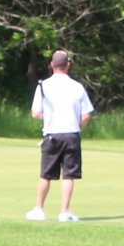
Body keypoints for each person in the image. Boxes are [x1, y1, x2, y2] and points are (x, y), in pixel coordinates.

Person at [27, 48, 94, 221]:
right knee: (69, 175)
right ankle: (64, 212)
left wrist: (50, 117)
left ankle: (39, 210)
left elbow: (35, 113)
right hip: (71, 134)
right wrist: (77, 126)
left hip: (51, 135)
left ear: (51, 65)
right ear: (68, 65)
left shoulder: (43, 86)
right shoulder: (77, 87)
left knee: (46, 175)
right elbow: (86, 114)